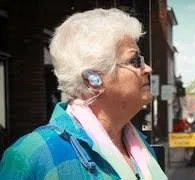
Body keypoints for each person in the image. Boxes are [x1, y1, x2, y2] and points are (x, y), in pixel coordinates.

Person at [0, 8, 167, 180]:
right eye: (135, 61)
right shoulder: (32, 155)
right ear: (93, 79)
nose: (147, 69)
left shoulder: (140, 147)